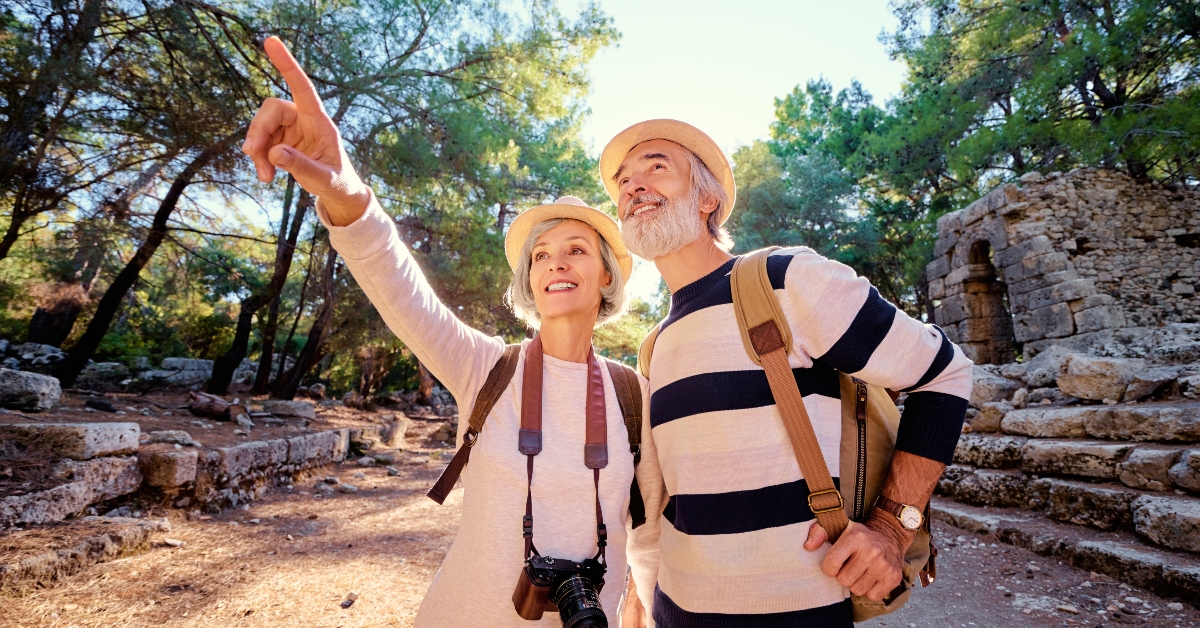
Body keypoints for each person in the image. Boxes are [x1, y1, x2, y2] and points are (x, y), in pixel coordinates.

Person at [242, 36, 661, 627]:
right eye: (541, 256)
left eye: (576, 251)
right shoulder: (486, 367)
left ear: (607, 279)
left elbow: (652, 536)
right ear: (530, 280)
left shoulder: (635, 395)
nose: (556, 263)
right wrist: (347, 193)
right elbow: (399, 289)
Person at [603, 120, 974, 628]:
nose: (632, 185)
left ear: (707, 199)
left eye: (656, 167)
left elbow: (945, 373)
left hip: (795, 611)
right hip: (676, 610)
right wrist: (642, 599)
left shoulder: (784, 279)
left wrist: (892, 526)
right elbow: (663, 503)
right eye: (623, 180)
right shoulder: (655, 347)